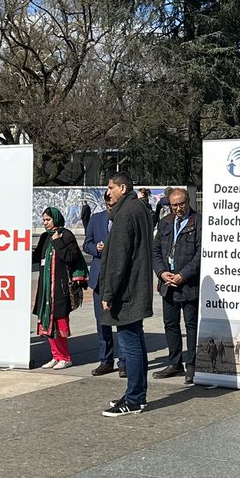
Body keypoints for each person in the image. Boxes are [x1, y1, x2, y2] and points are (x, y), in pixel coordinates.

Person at [98, 172, 154, 417]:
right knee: (136, 342)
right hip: (137, 286)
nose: (108, 192)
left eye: (111, 187)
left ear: (123, 187)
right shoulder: (139, 208)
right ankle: (136, 394)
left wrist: (108, 293)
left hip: (127, 292)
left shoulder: (125, 215)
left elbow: (118, 260)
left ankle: (133, 399)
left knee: (129, 345)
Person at [151, 188, 201, 384]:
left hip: (188, 284)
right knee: (170, 324)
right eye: (174, 205)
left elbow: (200, 254)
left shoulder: (198, 222)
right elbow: (156, 252)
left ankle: (192, 365)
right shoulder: (165, 223)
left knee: (191, 325)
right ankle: (175, 363)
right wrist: (162, 273)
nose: (178, 208)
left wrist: (182, 275)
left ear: (188, 202)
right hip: (167, 284)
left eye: (181, 204)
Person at [32, 207, 88, 369]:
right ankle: (55, 356)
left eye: (48, 220)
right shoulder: (44, 237)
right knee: (46, 322)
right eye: (43, 220)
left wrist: (57, 242)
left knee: (59, 322)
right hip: (45, 288)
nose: (45, 223)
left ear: (56, 219)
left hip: (59, 288)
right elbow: (37, 258)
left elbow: (71, 257)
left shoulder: (66, 235)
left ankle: (65, 357)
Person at [83, 190, 120, 376]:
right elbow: (86, 244)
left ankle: (125, 362)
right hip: (99, 278)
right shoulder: (96, 219)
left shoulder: (124, 218)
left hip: (119, 277)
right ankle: (106, 360)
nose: (110, 208)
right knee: (101, 322)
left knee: (121, 320)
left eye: (113, 205)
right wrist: (95, 248)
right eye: (108, 205)